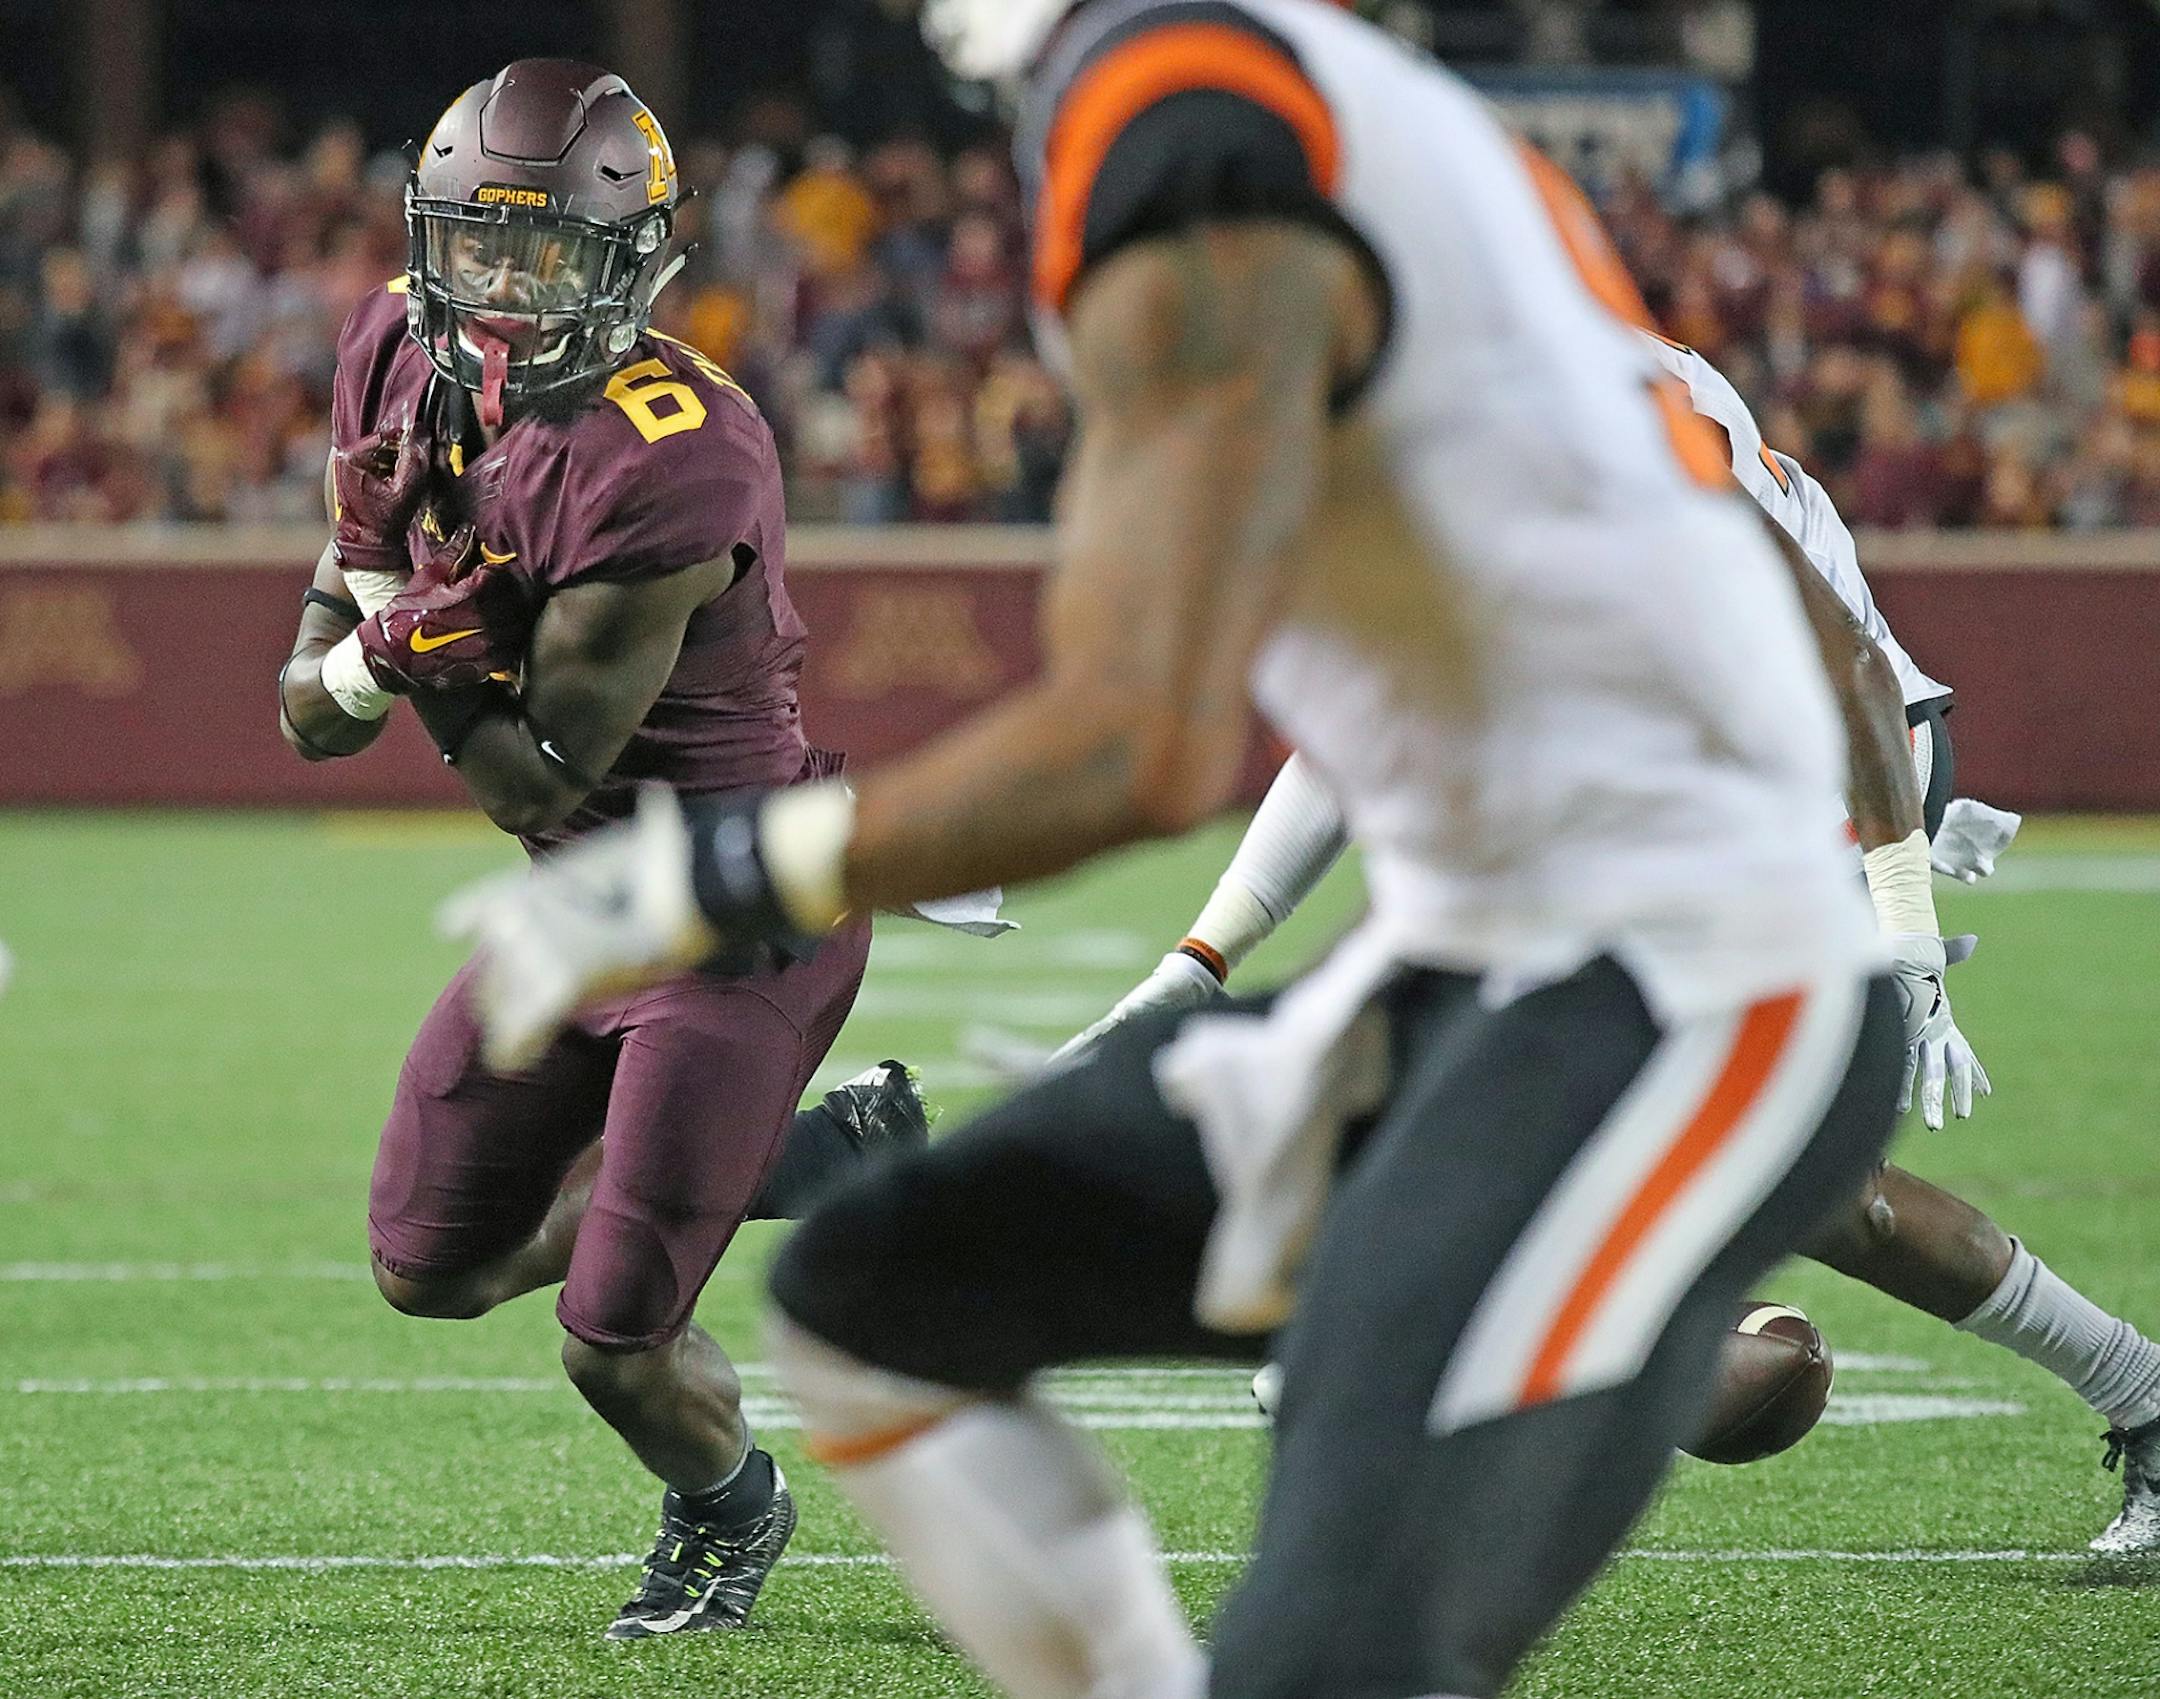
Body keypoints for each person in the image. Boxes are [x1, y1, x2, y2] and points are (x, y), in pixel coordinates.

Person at [440, 5, 1913, 1696]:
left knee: (1331, 1654)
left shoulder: (1180, 109)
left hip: (1688, 978)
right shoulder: (1263, 82)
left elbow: (1144, 736)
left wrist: (697, 874)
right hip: (1476, 964)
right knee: (879, 1294)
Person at [1058, 339, 2160, 1554]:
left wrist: (1902, 924)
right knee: (1820, 1194)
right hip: (1667, 767)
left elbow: (1845, 679)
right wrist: (1199, 958)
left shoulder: (1599, 416)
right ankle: (2142, 1391)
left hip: (1829, 755)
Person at [273, 60, 924, 1640]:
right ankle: (811, 1155)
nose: (505, 288)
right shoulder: (388, 350)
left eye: (550, 253)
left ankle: (728, 1505)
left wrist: (416, 659)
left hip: (721, 893)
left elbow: (535, 765)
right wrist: (373, 587)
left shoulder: (679, 446)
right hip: (580, 895)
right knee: (428, 1265)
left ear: (631, 266)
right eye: (480, 247)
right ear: (430, 240)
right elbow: (311, 716)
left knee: (612, 1337)